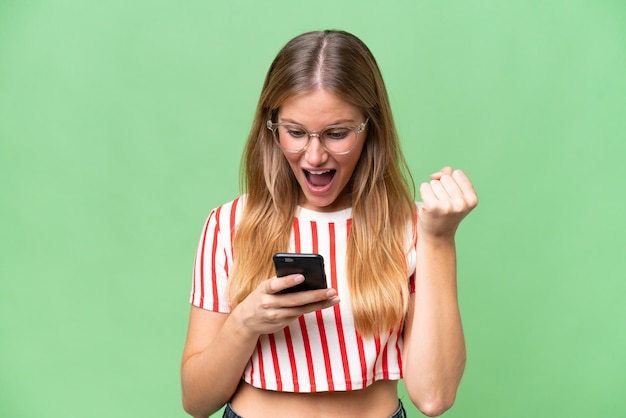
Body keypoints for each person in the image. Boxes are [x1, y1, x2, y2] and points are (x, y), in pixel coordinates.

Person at [181, 29, 478, 418]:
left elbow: (434, 397)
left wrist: (439, 239)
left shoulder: (412, 227)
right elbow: (196, 401)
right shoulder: (228, 225)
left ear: (369, 127)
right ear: (272, 128)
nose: (315, 155)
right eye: (296, 132)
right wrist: (245, 323)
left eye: (337, 134)